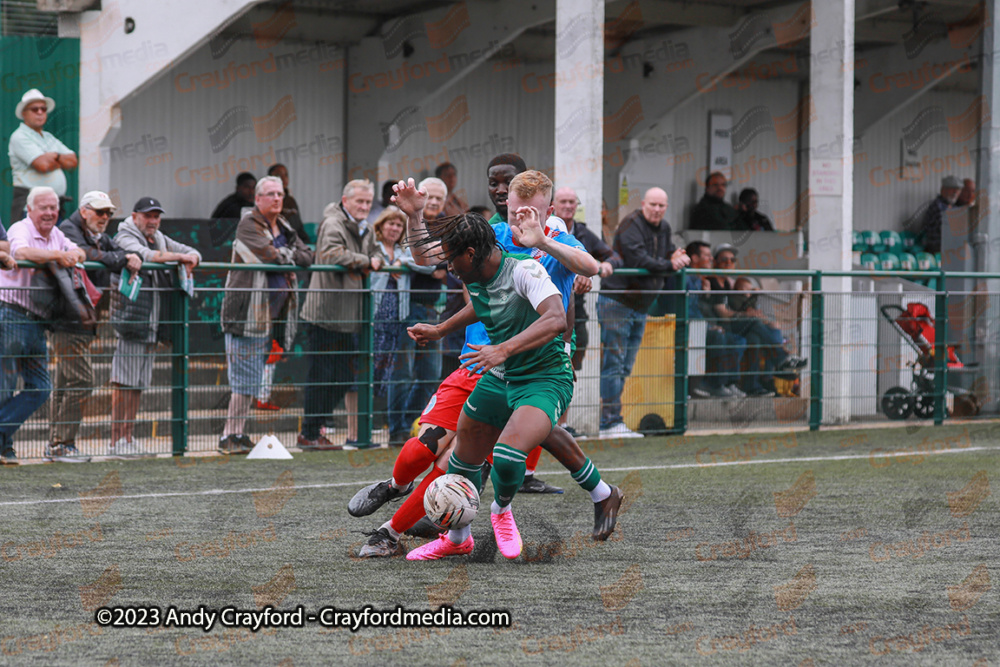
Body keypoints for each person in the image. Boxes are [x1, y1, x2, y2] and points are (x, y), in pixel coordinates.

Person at [349, 172, 618, 558]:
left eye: (529, 209)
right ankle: (415, 502)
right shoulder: (488, 237)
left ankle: (483, 514)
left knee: (510, 450)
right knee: (437, 455)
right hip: (486, 363)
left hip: (538, 364)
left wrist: (543, 241)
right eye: (509, 202)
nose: (517, 215)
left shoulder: (545, 245)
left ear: (548, 210)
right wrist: (415, 216)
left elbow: (584, 274)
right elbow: (439, 264)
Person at [219, 177, 313, 454]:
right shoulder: (248, 223)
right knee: (242, 379)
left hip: (270, 317)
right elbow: (270, 255)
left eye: (280, 194)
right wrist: (289, 254)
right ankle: (229, 435)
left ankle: (237, 433)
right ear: (257, 199)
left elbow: (307, 256)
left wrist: (288, 254)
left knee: (251, 378)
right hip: (245, 314)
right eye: (270, 194)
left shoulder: (283, 225)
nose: (276, 198)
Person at [49, 192, 142, 461]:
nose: (105, 218)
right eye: (100, 212)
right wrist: (121, 258)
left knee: (66, 383)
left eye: (108, 213)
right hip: (68, 317)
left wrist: (128, 255)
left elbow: (114, 252)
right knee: (81, 380)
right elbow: (91, 255)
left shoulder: (97, 233)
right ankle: (62, 444)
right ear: (84, 210)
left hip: (82, 319)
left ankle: (57, 445)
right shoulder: (69, 228)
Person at [109, 196, 202, 456]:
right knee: (123, 383)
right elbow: (146, 255)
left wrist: (189, 257)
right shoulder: (124, 234)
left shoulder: (159, 236)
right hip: (131, 321)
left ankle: (128, 438)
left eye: (156, 216)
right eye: (148, 215)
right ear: (135, 215)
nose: (153, 221)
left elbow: (194, 252)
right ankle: (116, 442)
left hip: (151, 324)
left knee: (137, 385)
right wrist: (181, 257)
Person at [0, 187, 84, 465]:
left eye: (54, 207)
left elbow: (78, 251)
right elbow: (20, 250)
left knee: (40, 387)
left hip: (37, 322)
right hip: (11, 314)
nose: (50, 213)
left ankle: (1, 440)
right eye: (44, 208)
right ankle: (5, 446)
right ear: (30, 210)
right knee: (4, 386)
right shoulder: (19, 227)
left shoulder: (57, 234)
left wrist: (71, 254)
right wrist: (59, 257)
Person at [599, 187, 690, 439]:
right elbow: (638, 260)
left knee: (624, 365)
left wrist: (675, 254)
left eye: (661, 206)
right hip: (617, 301)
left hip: (640, 305)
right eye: (653, 205)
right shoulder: (631, 224)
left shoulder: (664, 227)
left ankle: (611, 419)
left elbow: (667, 249)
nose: (657, 210)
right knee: (614, 364)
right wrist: (670, 265)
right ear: (643, 204)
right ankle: (609, 422)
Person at [299, 179, 377, 449]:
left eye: (368, 202)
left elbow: (378, 252)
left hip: (347, 317)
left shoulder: (364, 227)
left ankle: (315, 429)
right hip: (325, 316)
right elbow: (332, 254)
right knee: (321, 376)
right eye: (360, 201)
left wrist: (371, 259)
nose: (364, 207)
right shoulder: (334, 223)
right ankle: (309, 433)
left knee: (342, 377)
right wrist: (366, 262)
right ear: (346, 201)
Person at [367, 205, 438, 446]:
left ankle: (403, 426)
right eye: (391, 223)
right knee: (383, 373)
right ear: (381, 225)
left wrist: (404, 262)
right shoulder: (372, 247)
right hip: (375, 317)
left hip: (400, 317)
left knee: (408, 373)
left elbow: (430, 265)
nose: (395, 228)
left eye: (399, 225)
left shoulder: (403, 251)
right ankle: (380, 428)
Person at [704, 244, 805, 397]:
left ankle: (753, 386)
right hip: (719, 327)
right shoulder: (713, 281)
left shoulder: (727, 283)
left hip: (733, 325)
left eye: (732, 260)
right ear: (715, 262)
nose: (728, 263)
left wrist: (752, 297)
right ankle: (782, 360)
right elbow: (722, 313)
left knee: (755, 339)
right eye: (724, 260)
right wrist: (748, 316)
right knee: (755, 323)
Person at [392, 176, 448, 445]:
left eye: (439, 197)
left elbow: (445, 262)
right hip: (407, 308)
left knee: (430, 375)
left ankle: (415, 425)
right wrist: (431, 264)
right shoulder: (407, 219)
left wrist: (439, 264)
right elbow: (405, 257)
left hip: (433, 311)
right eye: (430, 195)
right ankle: (397, 430)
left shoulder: (448, 227)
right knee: (403, 372)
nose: (434, 201)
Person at [552, 186, 620, 374]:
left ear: (576, 206)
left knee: (573, 359)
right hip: (547, 305)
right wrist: (576, 271)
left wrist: (600, 267)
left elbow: (612, 256)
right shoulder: (543, 230)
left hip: (576, 310)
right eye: (563, 202)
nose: (567, 206)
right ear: (552, 206)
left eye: (571, 202)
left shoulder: (582, 233)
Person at [684, 241, 746, 399]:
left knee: (737, 339)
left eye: (732, 260)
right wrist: (709, 326)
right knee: (718, 336)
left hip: (700, 324)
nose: (710, 258)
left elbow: (699, 309)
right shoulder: (685, 276)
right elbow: (686, 310)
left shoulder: (700, 280)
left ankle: (728, 383)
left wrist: (705, 294)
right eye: (706, 255)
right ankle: (714, 385)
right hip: (685, 326)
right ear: (695, 258)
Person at [8, 89, 77, 224]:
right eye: (35, 109)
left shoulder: (48, 137)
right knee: (32, 243)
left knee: (53, 244)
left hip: (53, 207)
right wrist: (59, 160)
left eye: (43, 109)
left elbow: (73, 161)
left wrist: (54, 156)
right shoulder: (19, 136)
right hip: (31, 208)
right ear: (24, 113)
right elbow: (42, 165)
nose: (40, 112)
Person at [267, 164, 310, 245]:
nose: (283, 179)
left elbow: (299, 227)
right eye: (278, 175)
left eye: (286, 175)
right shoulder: (266, 200)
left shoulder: (290, 200)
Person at [918, 175, 961, 254]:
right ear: (943, 190)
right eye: (952, 188)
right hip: (937, 250)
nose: (955, 192)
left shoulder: (955, 207)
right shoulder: (937, 206)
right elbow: (946, 230)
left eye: (958, 189)